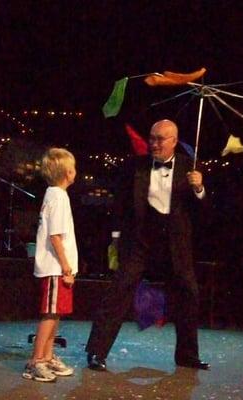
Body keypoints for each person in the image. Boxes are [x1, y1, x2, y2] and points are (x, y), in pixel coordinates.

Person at [86, 119, 211, 371]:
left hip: (174, 244)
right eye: (151, 138)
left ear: (174, 141)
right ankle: (96, 352)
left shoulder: (191, 168)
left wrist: (199, 188)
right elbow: (120, 204)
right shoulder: (135, 166)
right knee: (118, 292)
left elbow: (204, 213)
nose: (153, 143)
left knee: (189, 293)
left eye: (160, 139)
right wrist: (116, 237)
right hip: (140, 241)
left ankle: (187, 355)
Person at [23, 148, 78, 382]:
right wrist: (66, 267)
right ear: (68, 172)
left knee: (56, 314)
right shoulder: (58, 197)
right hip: (56, 268)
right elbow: (55, 236)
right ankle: (36, 361)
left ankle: (47, 356)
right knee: (50, 315)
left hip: (58, 267)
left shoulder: (54, 195)